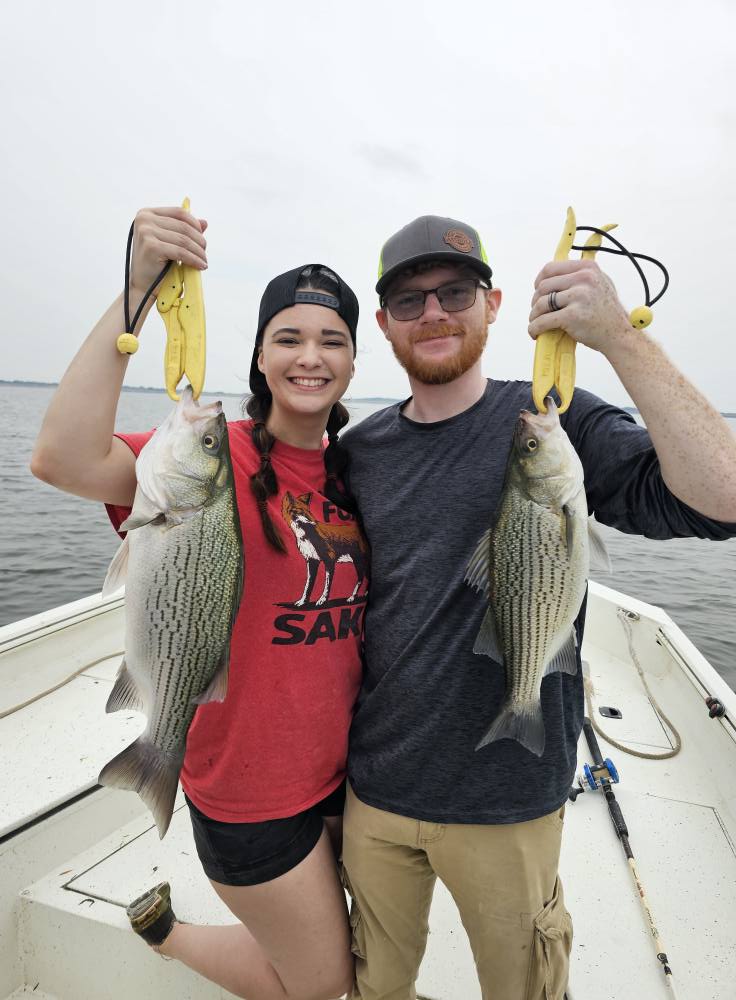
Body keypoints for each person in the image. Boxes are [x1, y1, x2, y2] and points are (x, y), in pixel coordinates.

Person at [339, 214, 736, 1000]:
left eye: (454, 291)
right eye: (409, 301)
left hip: (510, 798)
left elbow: (721, 498)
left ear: (492, 304)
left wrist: (619, 336)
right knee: (375, 986)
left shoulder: (554, 417)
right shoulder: (358, 450)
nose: (434, 313)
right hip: (372, 792)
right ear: (383, 324)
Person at [31, 205, 367, 1000]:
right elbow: (61, 456)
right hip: (248, 788)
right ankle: (168, 934)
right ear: (258, 354)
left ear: (355, 360)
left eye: (332, 340)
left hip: (349, 776)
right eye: (288, 337)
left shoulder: (360, 471)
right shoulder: (212, 459)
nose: (310, 356)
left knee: (343, 943)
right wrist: (138, 290)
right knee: (321, 986)